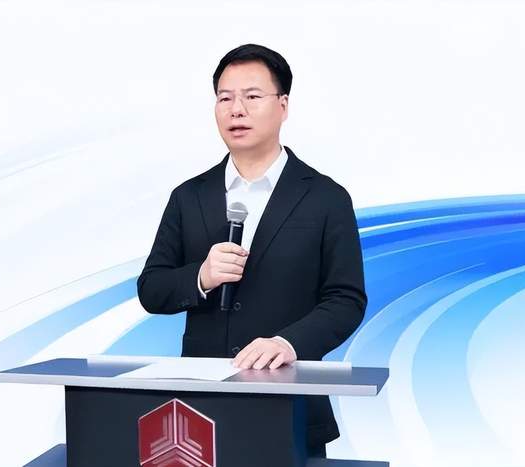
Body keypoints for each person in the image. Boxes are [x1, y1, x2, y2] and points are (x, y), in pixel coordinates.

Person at [137, 43, 367, 458]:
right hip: (198, 411)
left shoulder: (325, 198)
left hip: (291, 404)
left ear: (283, 105)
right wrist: (201, 277)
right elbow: (151, 289)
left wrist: (289, 343)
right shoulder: (189, 196)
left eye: (252, 96)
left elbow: (346, 300)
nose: (236, 110)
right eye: (225, 98)